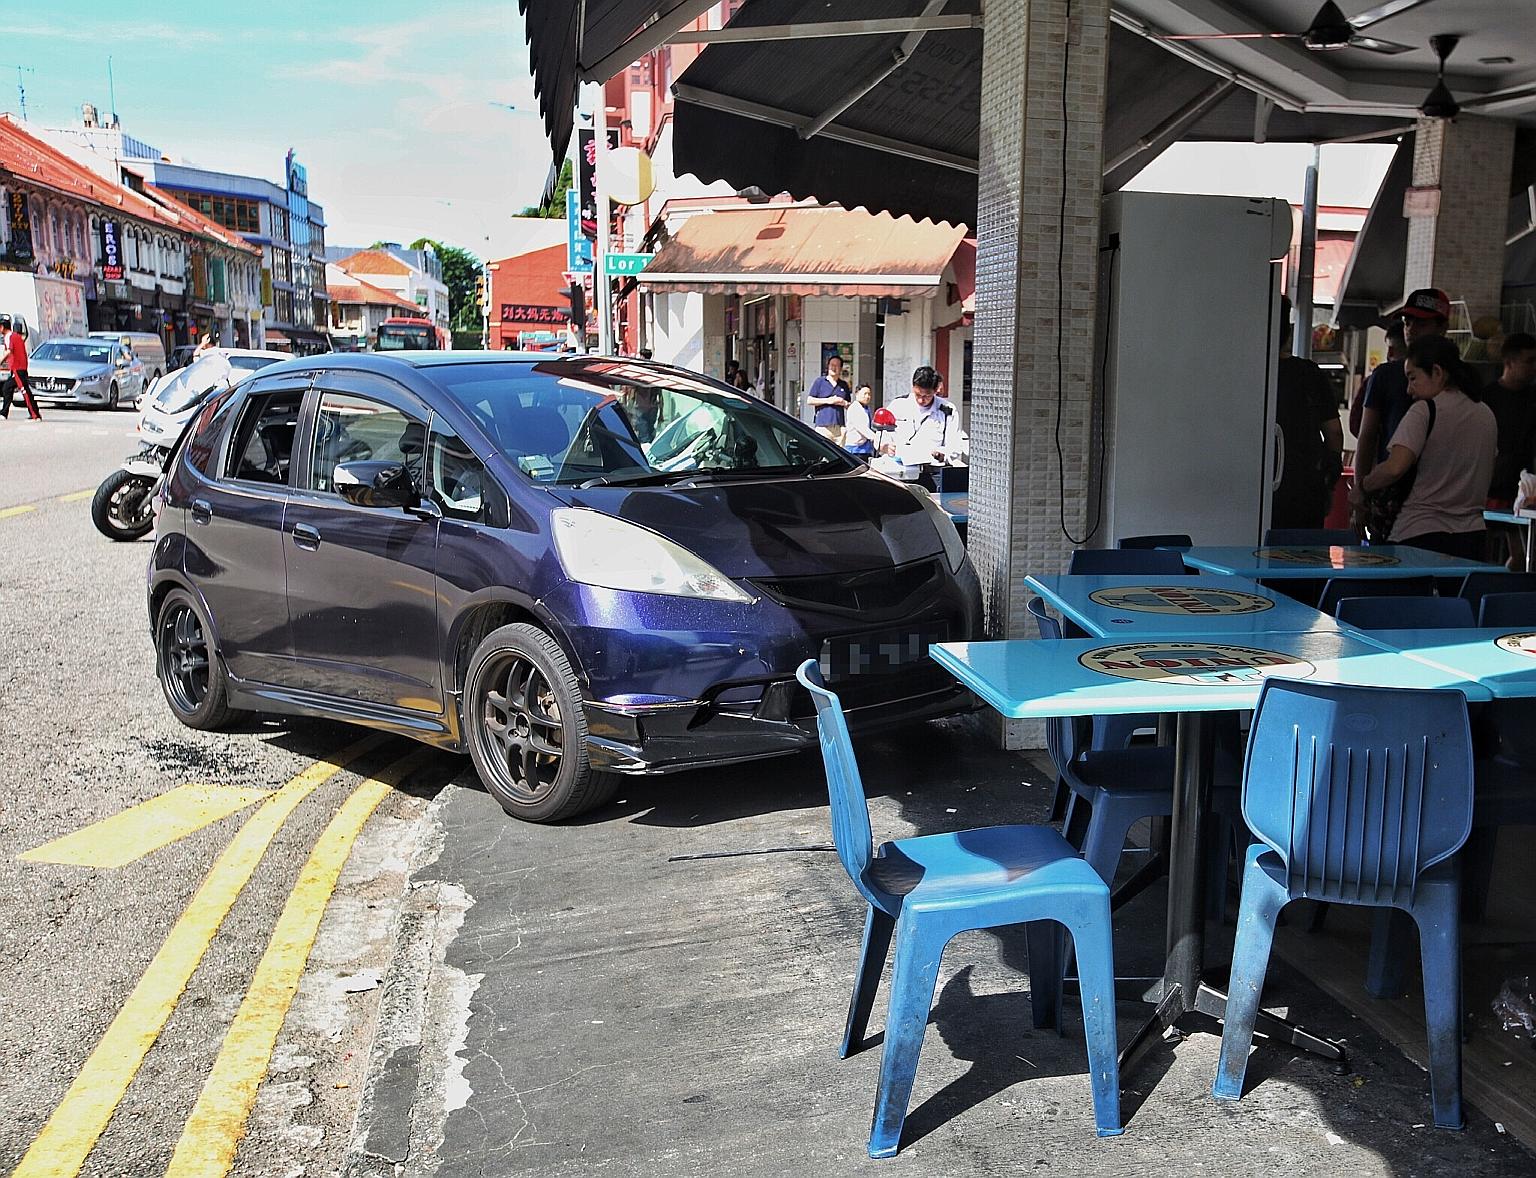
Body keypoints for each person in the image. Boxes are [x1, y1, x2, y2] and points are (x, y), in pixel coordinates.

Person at [1354, 335, 1495, 559]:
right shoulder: (1485, 413)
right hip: (1472, 536)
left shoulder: (1425, 411)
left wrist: (1363, 486)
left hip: (1418, 534)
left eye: (1413, 378)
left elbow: (1394, 468)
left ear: (1437, 373)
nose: (1409, 389)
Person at [1353, 288, 1452, 510]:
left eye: (1422, 323)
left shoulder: (1460, 378)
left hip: (1443, 498)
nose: (1411, 329)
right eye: (1408, 322)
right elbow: (1366, 436)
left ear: (1443, 327)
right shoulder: (1385, 375)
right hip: (1391, 497)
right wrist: (1361, 491)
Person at [1272, 297, 1344, 529]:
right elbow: (1334, 432)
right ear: (1287, 332)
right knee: (1300, 558)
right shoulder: (1309, 374)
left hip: (1247, 489)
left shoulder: (1242, 372)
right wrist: (1329, 480)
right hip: (1304, 490)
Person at [1482, 331, 1536, 509]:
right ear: (1509, 362)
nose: (1534, 367)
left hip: (1526, 488)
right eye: (1529, 361)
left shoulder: (1532, 398)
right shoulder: (1486, 398)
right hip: (1490, 488)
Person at [883, 365, 960, 490]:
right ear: (913, 387)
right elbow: (882, 436)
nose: (921, 400)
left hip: (933, 473)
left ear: (936, 390)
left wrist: (943, 454)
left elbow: (955, 446)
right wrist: (886, 446)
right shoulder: (898, 405)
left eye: (927, 396)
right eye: (918, 394)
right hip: (901, 472)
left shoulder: (947, 410)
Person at [1349, 320, 1403, 439]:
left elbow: (1356, 425)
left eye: (1392, 348)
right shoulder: (1430, 382)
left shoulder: (1377, 378)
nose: (1389, 354)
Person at [0, 316, 40, 420]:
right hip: (18, 368)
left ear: (2, 327)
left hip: (18, 368)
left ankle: (35, 414)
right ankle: (4, 413)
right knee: (7, 388)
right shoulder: (15, 336)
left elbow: (9, 351)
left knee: (25, 391)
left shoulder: (9, 336)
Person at [806, 354, 850, 444]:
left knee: (840, 455)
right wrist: (828, 400)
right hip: (823, 426)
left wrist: (843, 403)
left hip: (839, 427)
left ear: (841, 368)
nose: (834, 368)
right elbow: (809, 400)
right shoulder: (820, 382)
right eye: (832, 365)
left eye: (837, 366)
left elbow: (849, 404)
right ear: (828, 366)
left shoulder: (844, 385)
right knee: (824, 454)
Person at [843, 384, 876, 456]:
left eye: (869, 394)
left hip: (866, 448)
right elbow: (861, 428)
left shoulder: (866, 408)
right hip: (855, 448)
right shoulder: (854, 408)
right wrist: (875, 438)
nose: (867, 396)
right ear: (857, 394)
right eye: (865, 394)